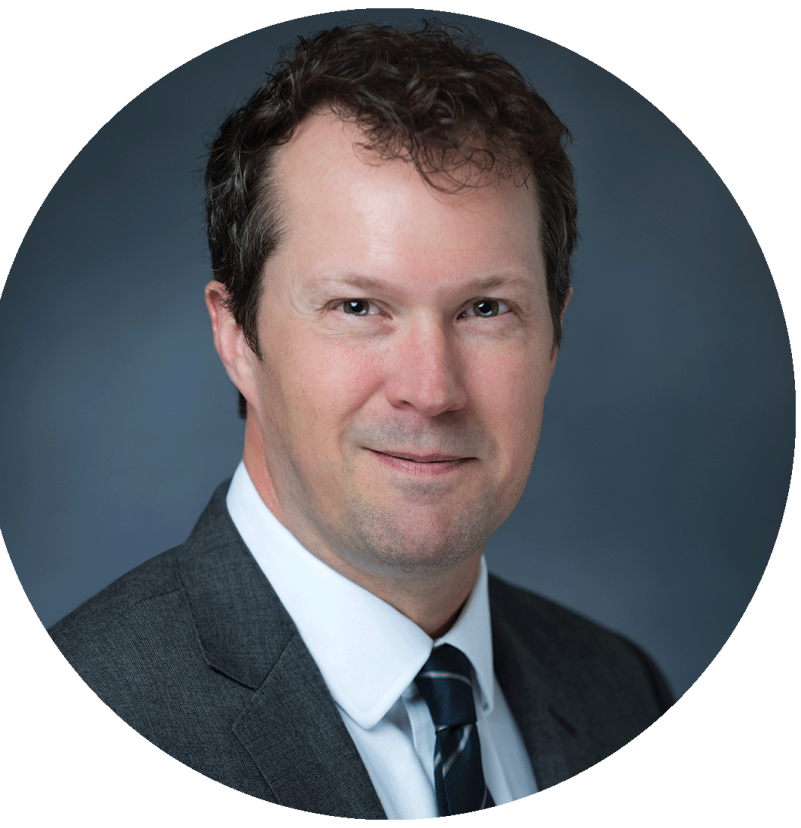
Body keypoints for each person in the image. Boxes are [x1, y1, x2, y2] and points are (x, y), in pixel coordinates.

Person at [48, 22, 674, 817]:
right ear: (236, 338)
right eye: (357, 306)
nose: (431, 390)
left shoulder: (622, 692)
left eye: (486, 309)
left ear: (554, 339)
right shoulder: (109, 691)